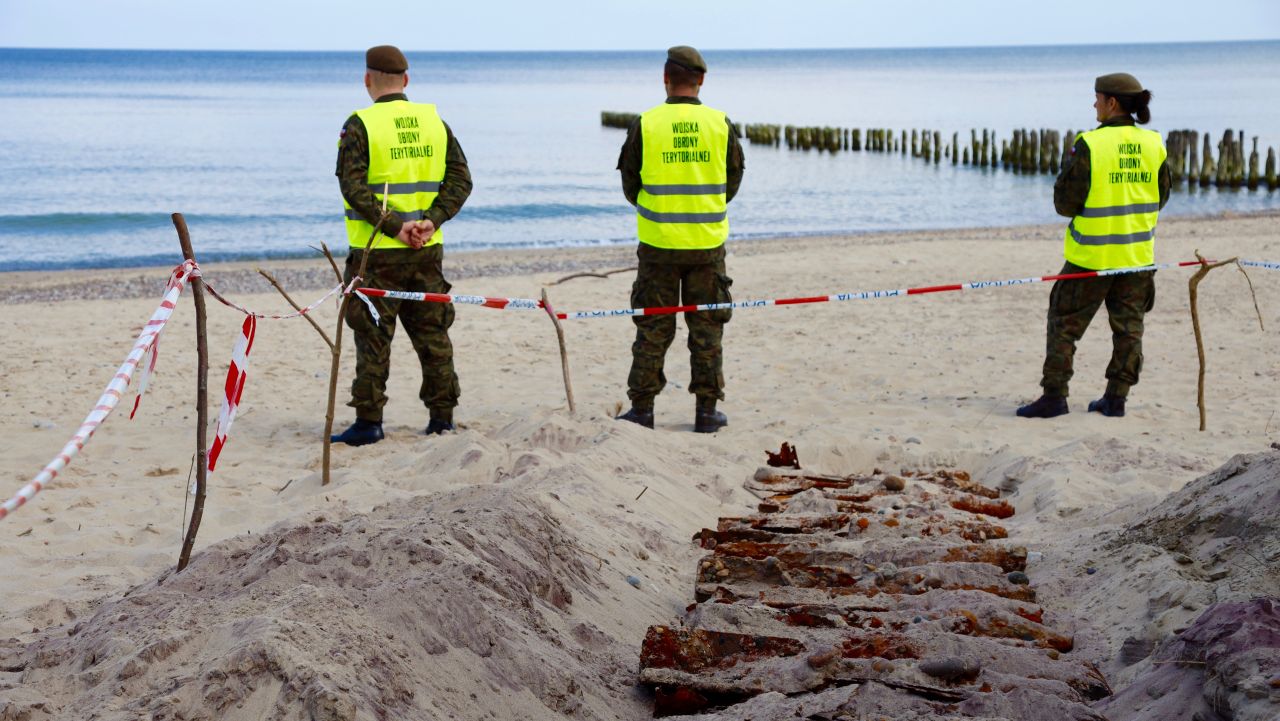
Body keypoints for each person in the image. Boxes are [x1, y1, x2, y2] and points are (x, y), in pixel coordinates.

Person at [331, 45, 473, 446]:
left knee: (373, 335)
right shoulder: (434, 122)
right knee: (433, 336)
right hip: (426, 247)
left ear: (367, 79)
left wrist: (395, 227)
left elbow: (352, 186)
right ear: (406, 81)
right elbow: (461, 181)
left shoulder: (361, 124)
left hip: (376, 252)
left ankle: (369, 422)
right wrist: (432, 220)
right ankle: (442, 418)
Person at [1018, 72, 1170, 419]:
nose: (1094, 104)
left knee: (1063, 325)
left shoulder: (1091, 144)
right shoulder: (1154, 143)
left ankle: (1054, 397)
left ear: (1111, 103)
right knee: (1129, 330)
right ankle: (1116, 399)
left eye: (1097, 98)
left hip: (1091, 257)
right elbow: (1161, 197)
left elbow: (1065, 204)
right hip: (1137, 256)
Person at [614, 46, 745, 433]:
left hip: (658, 244)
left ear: (664, 78)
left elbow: (629, 183)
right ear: (701, 80)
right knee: (707, 328)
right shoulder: (719, 123)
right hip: (706, 244)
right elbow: (732, 181)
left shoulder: (647, 122)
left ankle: (642, 410)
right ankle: (706, 413)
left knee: (653, 327)